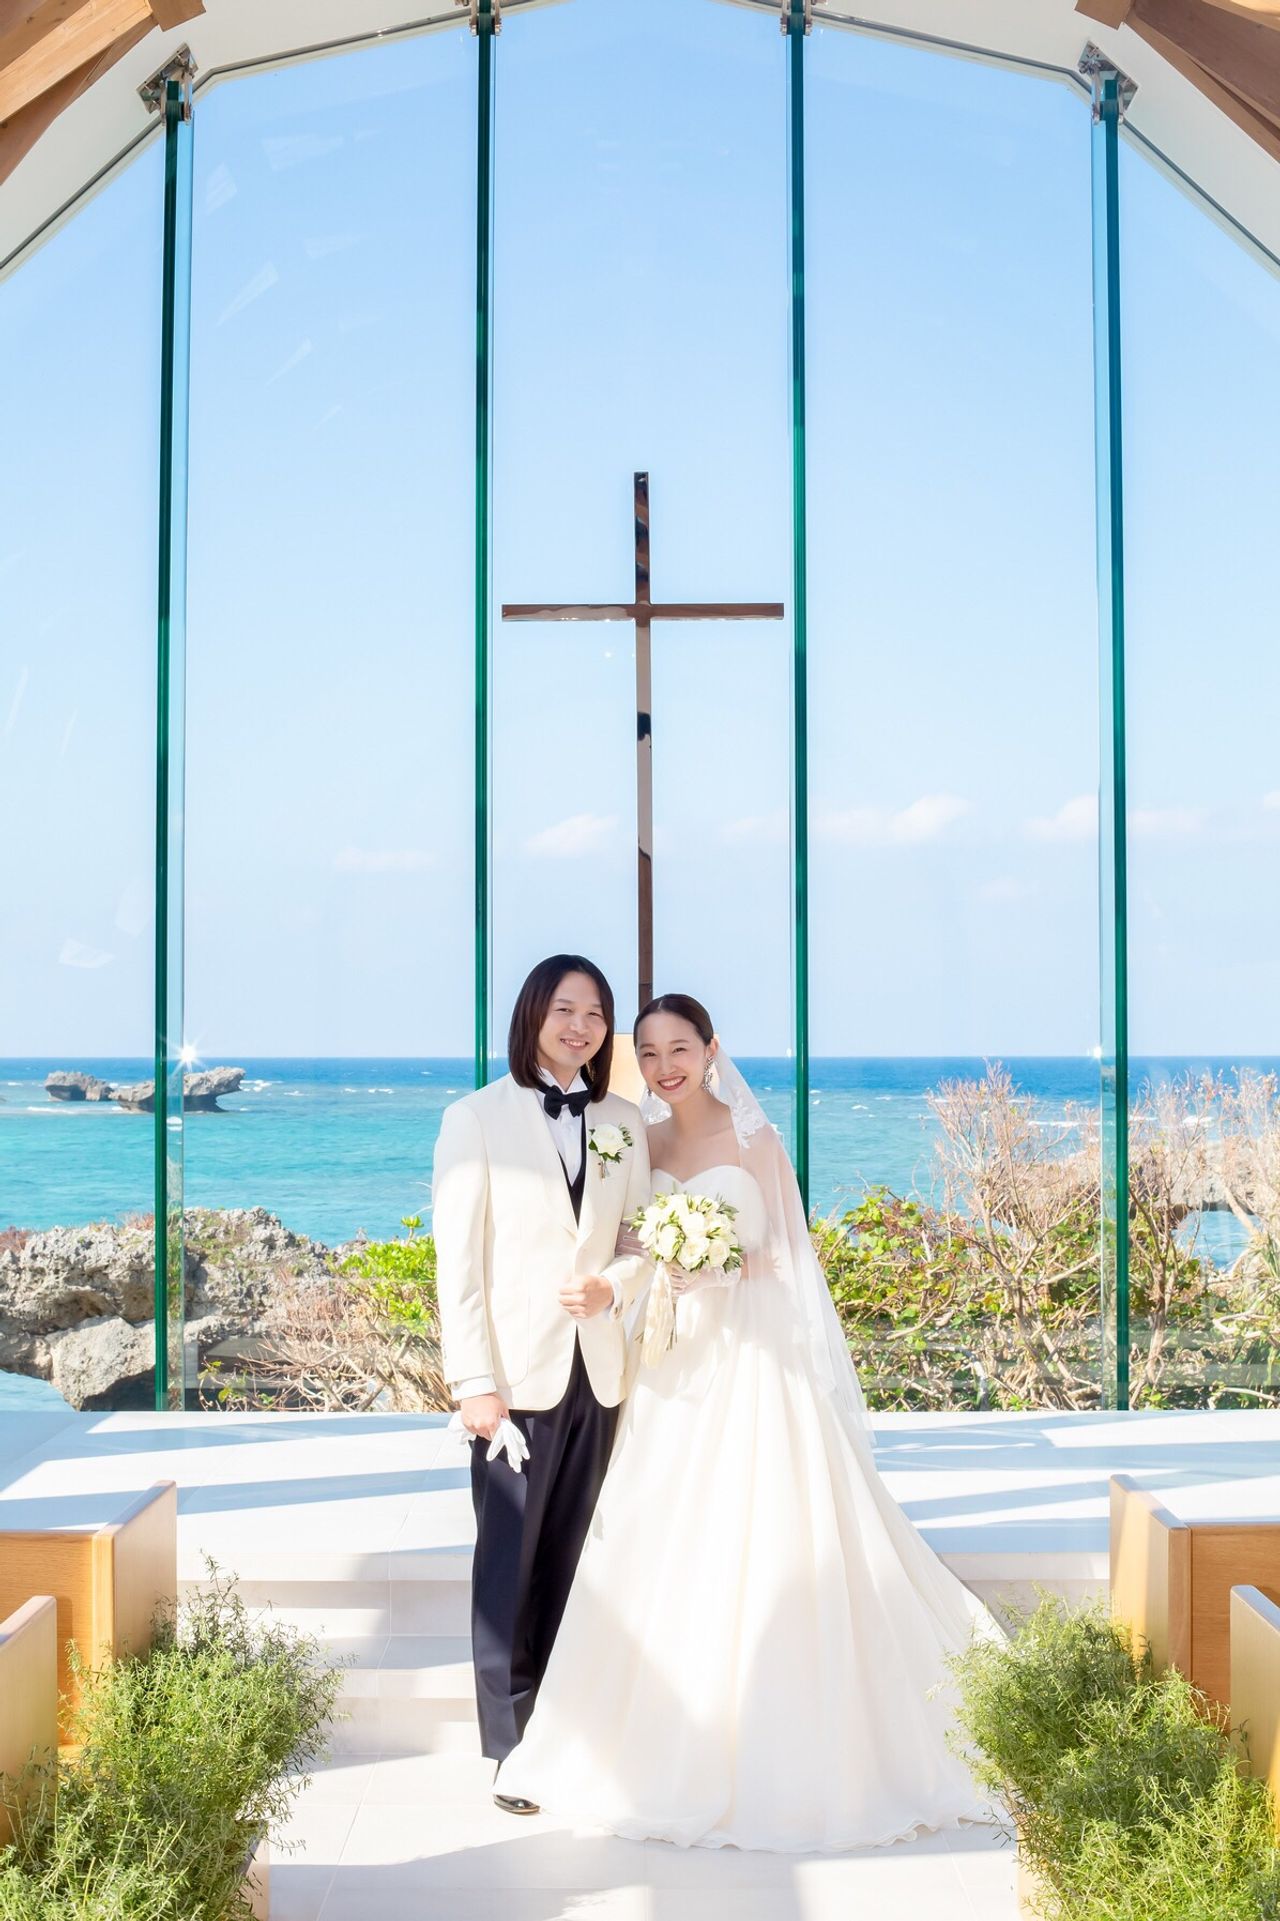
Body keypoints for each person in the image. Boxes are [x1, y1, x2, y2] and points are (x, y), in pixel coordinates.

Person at [492, 992, 1005, 1851]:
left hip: (755, 1361)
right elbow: (628, 1243)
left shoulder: (756, 1140)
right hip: (670, 1366)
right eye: (647, 1052)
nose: (664, 1066)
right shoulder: (643, 1139)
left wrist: (716, 1262)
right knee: (658, 1531)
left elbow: (787, 1257)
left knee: (765, 1528)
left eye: (678, 1048)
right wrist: (640, 1268)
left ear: (710, 1049)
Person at [432, 954, 651, 1803]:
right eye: (566, 1008)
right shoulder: (474, 1119)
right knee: (507, 1569)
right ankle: (509, 1746)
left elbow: (638, 1240)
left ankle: (563, 1736)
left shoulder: (624, 1120)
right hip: (514, 1384)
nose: (581, 1026)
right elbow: (460, 1264)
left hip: (599, 1374)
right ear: (533, 1013)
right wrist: (473, 1383)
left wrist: (612, 1287)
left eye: (595, 1013)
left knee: (573, 1562)